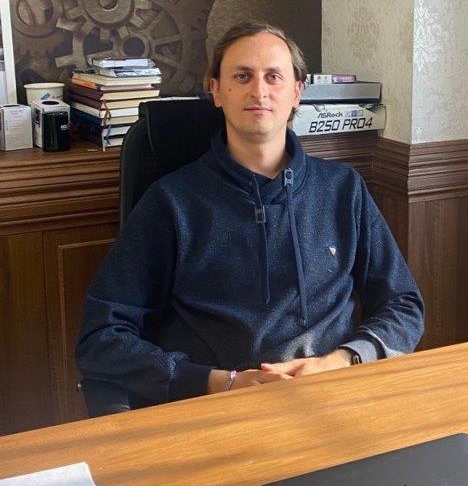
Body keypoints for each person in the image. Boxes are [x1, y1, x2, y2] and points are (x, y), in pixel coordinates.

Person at [76, 21, 424, 403]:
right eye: (242, 76)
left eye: (273, 76)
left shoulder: (344, 190)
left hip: (330, 395)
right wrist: (219, 382)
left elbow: (403, 306)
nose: (259, 91)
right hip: (216, 406)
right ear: (216, 90)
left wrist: (341, 361)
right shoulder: (171, 202)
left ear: (297, 92)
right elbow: (101, 337)